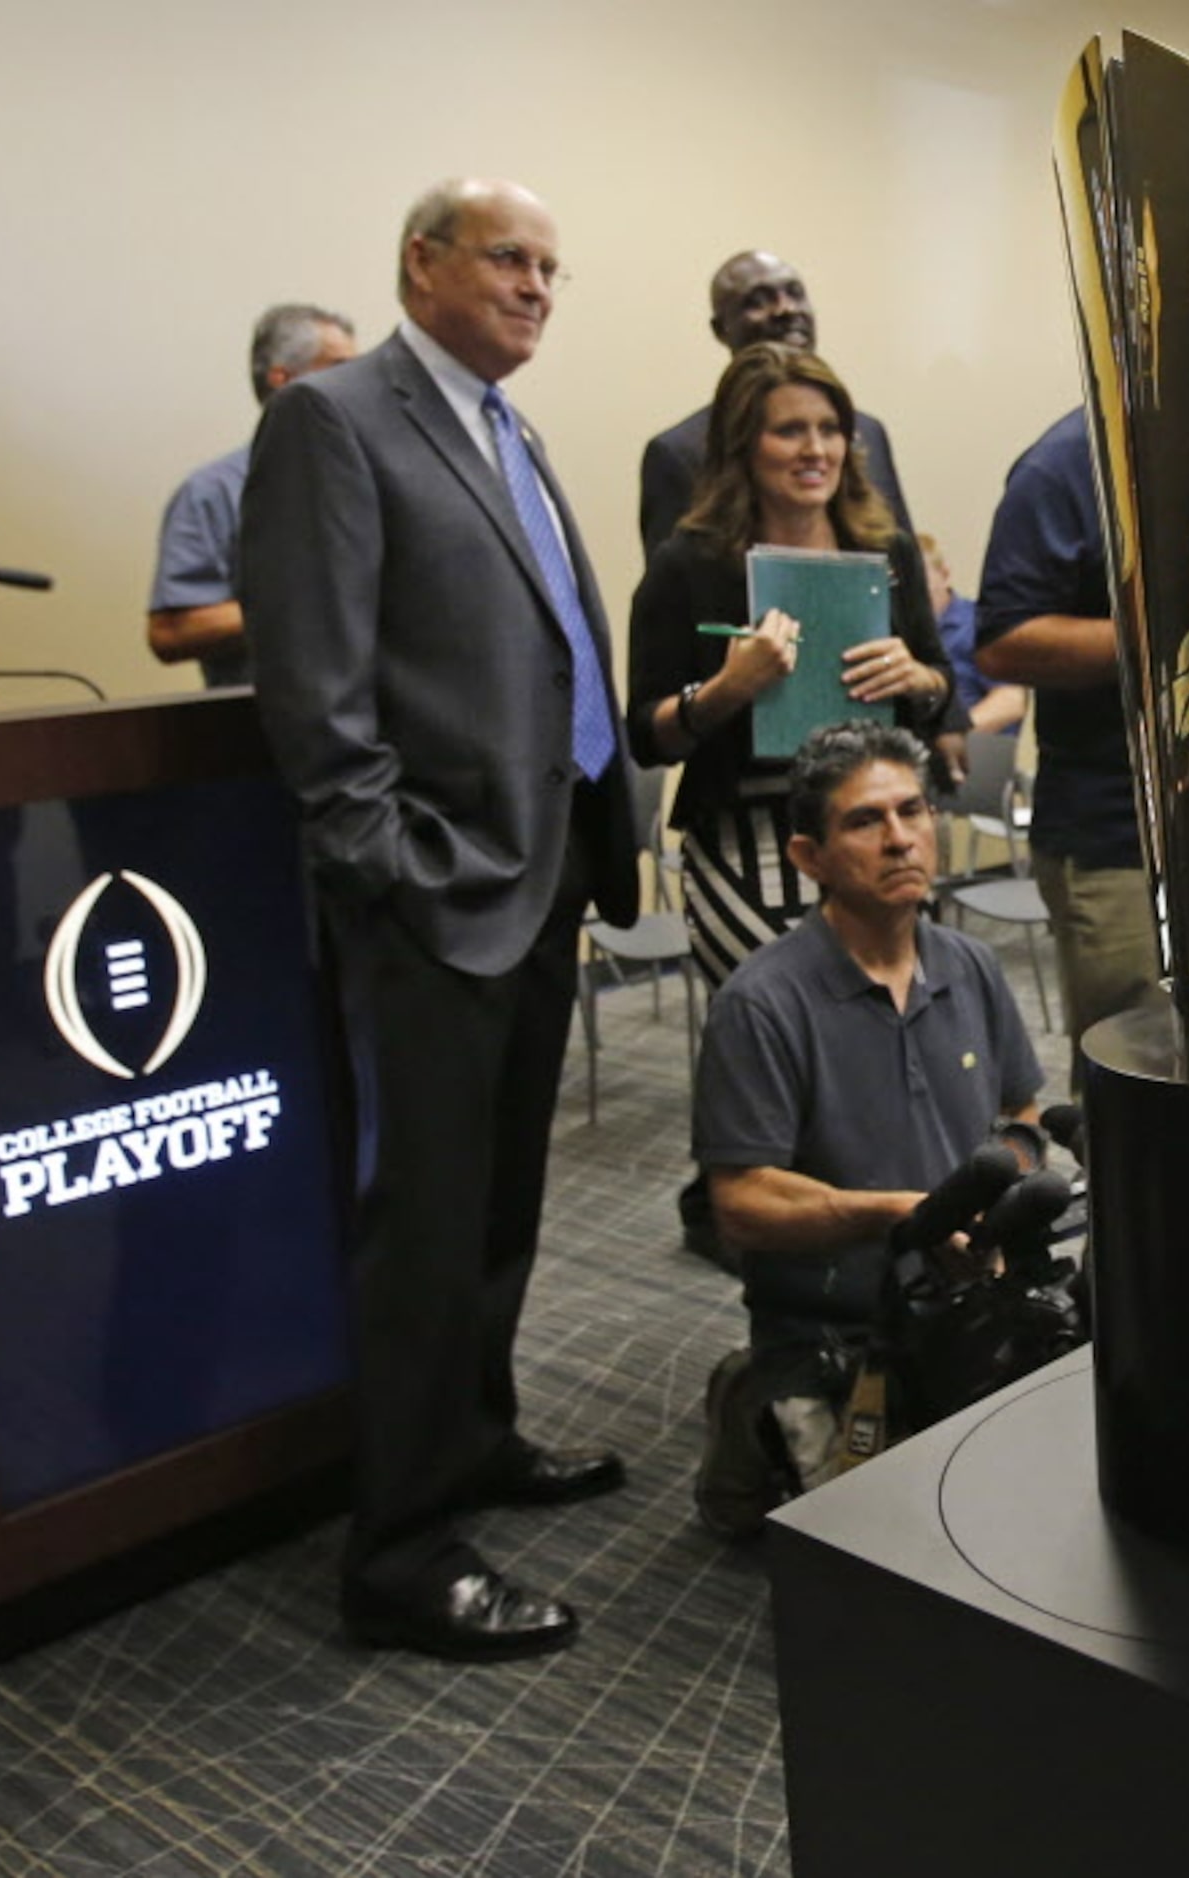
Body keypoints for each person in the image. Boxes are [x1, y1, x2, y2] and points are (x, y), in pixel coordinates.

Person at [242, 178, 640, 1663]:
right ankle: (402, 1551)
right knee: (422, 1232)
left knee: (498, 1211)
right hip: (434, 898)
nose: (537, 285)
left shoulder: (504, 426)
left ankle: (475, 1438)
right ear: (422, 264)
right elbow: (317, 692)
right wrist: (391, 869)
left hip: (538, 888)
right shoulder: (336, 422)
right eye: (508, 258)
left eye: (552, 265)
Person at [690, 722, 1044, 1534]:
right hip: (835, 1327)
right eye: (864, 822)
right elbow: (740, 1204)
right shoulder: (761, 1003)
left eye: (911, 812)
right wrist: (898, 1216)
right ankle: (755, 1397)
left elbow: (1022, 1114)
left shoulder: (970, 966)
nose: (899, 840)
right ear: (808, 858)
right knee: (884, 1558)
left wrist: (1007, 1176)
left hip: (963, 1307)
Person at [625, 342, 958, 989]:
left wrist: (919, 680)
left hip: (880, 825)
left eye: (829, 429)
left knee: (891, 1020)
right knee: (777, 1027)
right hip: (745, 836)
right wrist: (725, 691)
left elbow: (942, 683)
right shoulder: (688, 565)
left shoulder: (885, 549)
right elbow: (646, 733)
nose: (816, 450)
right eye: (789, 431)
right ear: (742, 444)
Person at [971, 409, 1163, 1062]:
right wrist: (1177, 629)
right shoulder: (1063, 465)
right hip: (1116, 835)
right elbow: (1002, 643)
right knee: (1140, 1078)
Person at [640, 251, 915, 555]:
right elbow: (679, 588)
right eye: (758, 301)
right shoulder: (679, 451)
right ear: (720, 329)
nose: (785, 309)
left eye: (795, 294)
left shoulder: (867, 430)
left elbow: (900, 561)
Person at [145, 304, 356, 686]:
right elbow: (172, 631)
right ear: (283, 380)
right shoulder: (212, 492)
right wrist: (304, 608)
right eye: (339, 369)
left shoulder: (372, 478)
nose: (358, 386)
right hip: (261, 727)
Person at [922, 532, 1025, 738]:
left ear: (944, 574)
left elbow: (1011, 701)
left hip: (976, 756)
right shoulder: (898, 631)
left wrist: (953, 733)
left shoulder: (979, 624)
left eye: (918, 576)